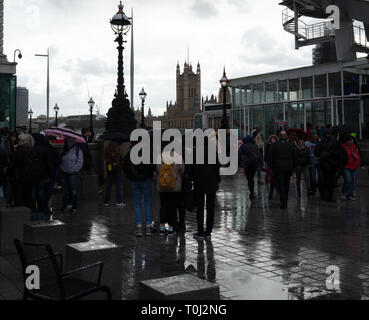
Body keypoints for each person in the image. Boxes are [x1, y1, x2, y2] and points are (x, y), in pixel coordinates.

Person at [191, 137, 220, 240]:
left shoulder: (195, 152)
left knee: (200, 208)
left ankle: (200, 231)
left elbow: (191, 168)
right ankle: (208, 232)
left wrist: (192, 179)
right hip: (211, 183)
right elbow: (217, 167)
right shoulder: (213, 152)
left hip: (199, 183)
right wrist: (217, 179)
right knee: (210, 207)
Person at [124, 142, 155, 237]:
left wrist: (132, 177)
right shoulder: (147, 152)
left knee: (137, 204)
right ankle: (148, 227)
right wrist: (148, 175)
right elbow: (151, 166)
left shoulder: (129, 153)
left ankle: (139, 228)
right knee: (147, 203)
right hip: (146, 181)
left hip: (134, 181)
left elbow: (125, 167)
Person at [5, 134, 38, 209]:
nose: (18, 141)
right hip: (29, 179)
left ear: (24, 142)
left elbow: (13, 164)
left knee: (19, 199)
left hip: (19, 179)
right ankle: (29, 215)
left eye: (19, 140)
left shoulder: (20, 151)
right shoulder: (32, 151)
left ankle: (21, 217)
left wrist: (7, 171)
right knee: (28, 198)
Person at [314, 129, 347, 202]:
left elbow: (339, 153)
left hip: (330, 165)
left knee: (329, 181)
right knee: (329, 181)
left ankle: (329, 195)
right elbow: (316, 153)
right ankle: (329, 195)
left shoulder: (333, 143)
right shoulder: (332, 142)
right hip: (328, 165)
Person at [157, 150, 184, 236]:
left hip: (163, 186)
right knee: (173, 207)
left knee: (163, 206)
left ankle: (162, 228)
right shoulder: (178, 156)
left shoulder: (160, 156)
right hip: (174, 187)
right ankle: (171, 228)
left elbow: (158, 169)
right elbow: (182, 170)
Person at [270, 131, 296, 209]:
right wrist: (293, 168)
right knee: (286, 184)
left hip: (278, 168)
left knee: (280, 184)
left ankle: (283, 199)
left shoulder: (274, 146)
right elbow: (294, 157)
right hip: (288, 167)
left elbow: (271, 158)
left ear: (279, 136)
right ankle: (285, 199)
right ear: (286, 136)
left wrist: (272, 167)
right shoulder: (290, 145)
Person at [32, 133, 54, 220]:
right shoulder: (46, 149)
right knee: (41, 193)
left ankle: (34, 211)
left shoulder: (33, 149)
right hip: (43, 175)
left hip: (34, 175)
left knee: (33, 194)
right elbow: (49, 164)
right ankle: (41, 211)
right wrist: (49, 175)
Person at [60, 137, 84, 212]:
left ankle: (74, 205)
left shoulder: (78, 150)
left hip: (74, 174)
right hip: (65, 173)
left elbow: (80, 163)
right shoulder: (64, 150)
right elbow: (61, 161)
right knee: (65, 191)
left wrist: (73, 170)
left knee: (73, 190)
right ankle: (65, 205)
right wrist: (63, 169)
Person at [104, 141, 126, 208]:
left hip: (110, 170)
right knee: (118, 185)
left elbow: (106, 160)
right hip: (117, 170)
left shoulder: (107, 150)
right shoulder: (117, 151)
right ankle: (119, 201)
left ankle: (106, 202)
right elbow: (121, 159)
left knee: (109, 185)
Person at [341, 134, 360, 201]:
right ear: (346, 141)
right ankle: (344, 192)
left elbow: (357, 155)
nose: (351, 141)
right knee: (348, 180)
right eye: (350, 140)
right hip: (346, 166)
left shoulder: (353, 147)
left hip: (353, 166)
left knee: (352, 181)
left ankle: (350, 194)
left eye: (351, 140)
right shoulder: (343, 147)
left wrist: (358, 163)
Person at [305, 130, 321, 196]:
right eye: (314, 134)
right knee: (312, 176)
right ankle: (313, 189)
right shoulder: (307, 143)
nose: (315, 135)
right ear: (311, 135)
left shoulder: (320, 141)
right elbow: (306, 153)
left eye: (316, 134)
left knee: (321, 176)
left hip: (319, 161)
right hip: (312, 161)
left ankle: (319, 186)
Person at [264, 134, 279, 199]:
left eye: (274, 139)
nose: (273, 140)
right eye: (272, 139)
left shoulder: (277, 145)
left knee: (273, 176)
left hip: (275, 163)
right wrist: (265, 159)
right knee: (270, 172)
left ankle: (272, 193)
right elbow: (266, 152)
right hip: (269, 161)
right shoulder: (268, 144)